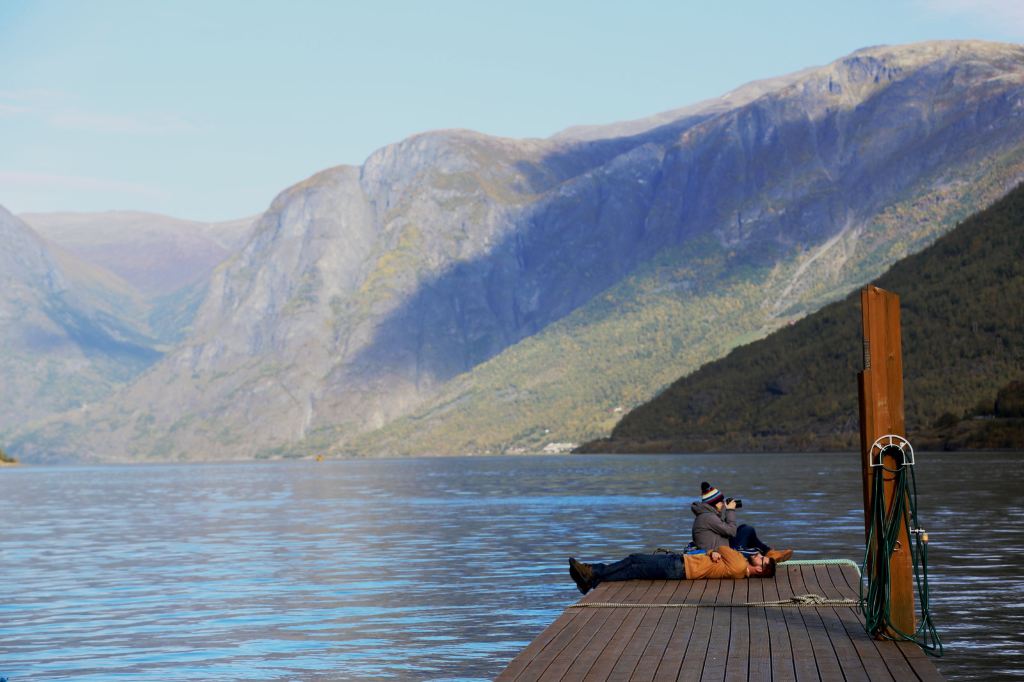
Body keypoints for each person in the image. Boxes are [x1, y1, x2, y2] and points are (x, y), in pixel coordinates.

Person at [567, 546, 775, 595]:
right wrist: (713, 552)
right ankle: (590, 580)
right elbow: (718, 550)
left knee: (634, 560)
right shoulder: (739, 568)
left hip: (682, 565)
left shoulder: (739, 563)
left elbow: (721, 546)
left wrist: (713, 551)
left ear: (760, 570)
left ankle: (591, 571)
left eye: (761, 559)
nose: (758, 554)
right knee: (633, 571)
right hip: (682, 569)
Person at [691, 481, 793, 563]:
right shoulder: (708, 517)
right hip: (721, 553)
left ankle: (770, 553)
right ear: (714, 503)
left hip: (722, 547)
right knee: (747, 532)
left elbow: (725, 531)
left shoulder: (707, 515)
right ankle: (768, 555)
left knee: (745, 529)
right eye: (721, 501)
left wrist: (727, 512)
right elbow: (731, 531)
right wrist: (730, 510)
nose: (723, 504)